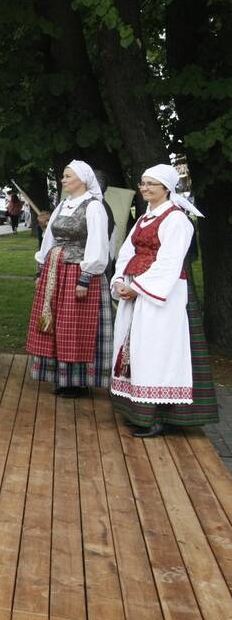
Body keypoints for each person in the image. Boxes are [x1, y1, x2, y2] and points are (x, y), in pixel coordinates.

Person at [109, 164, 217, 438]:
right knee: (138, 351)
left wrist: (139, 288)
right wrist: (120, 280)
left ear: (166, 188)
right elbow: (126, 251)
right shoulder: (145, 218)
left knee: (158, 352)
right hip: (137, 292)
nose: (144, 188)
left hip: (162, 296)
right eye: (142, 183)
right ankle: (140, 411)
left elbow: (169, 261)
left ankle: (160, 416)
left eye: (151, 184)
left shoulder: (177, 220)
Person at [25, 161, 112, 399]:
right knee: (57, 322)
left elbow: (98, 243)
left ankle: (79, 380)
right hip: (56, 269)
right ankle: (62, 377)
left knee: (75, 325)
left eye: (67, 176)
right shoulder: (63, 205)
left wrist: (85, 277)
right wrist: (41, 270)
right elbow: (49, 239)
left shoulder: (94, 207)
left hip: (78, 270)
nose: (63, 180)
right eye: (63, 176)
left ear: (82, 179)